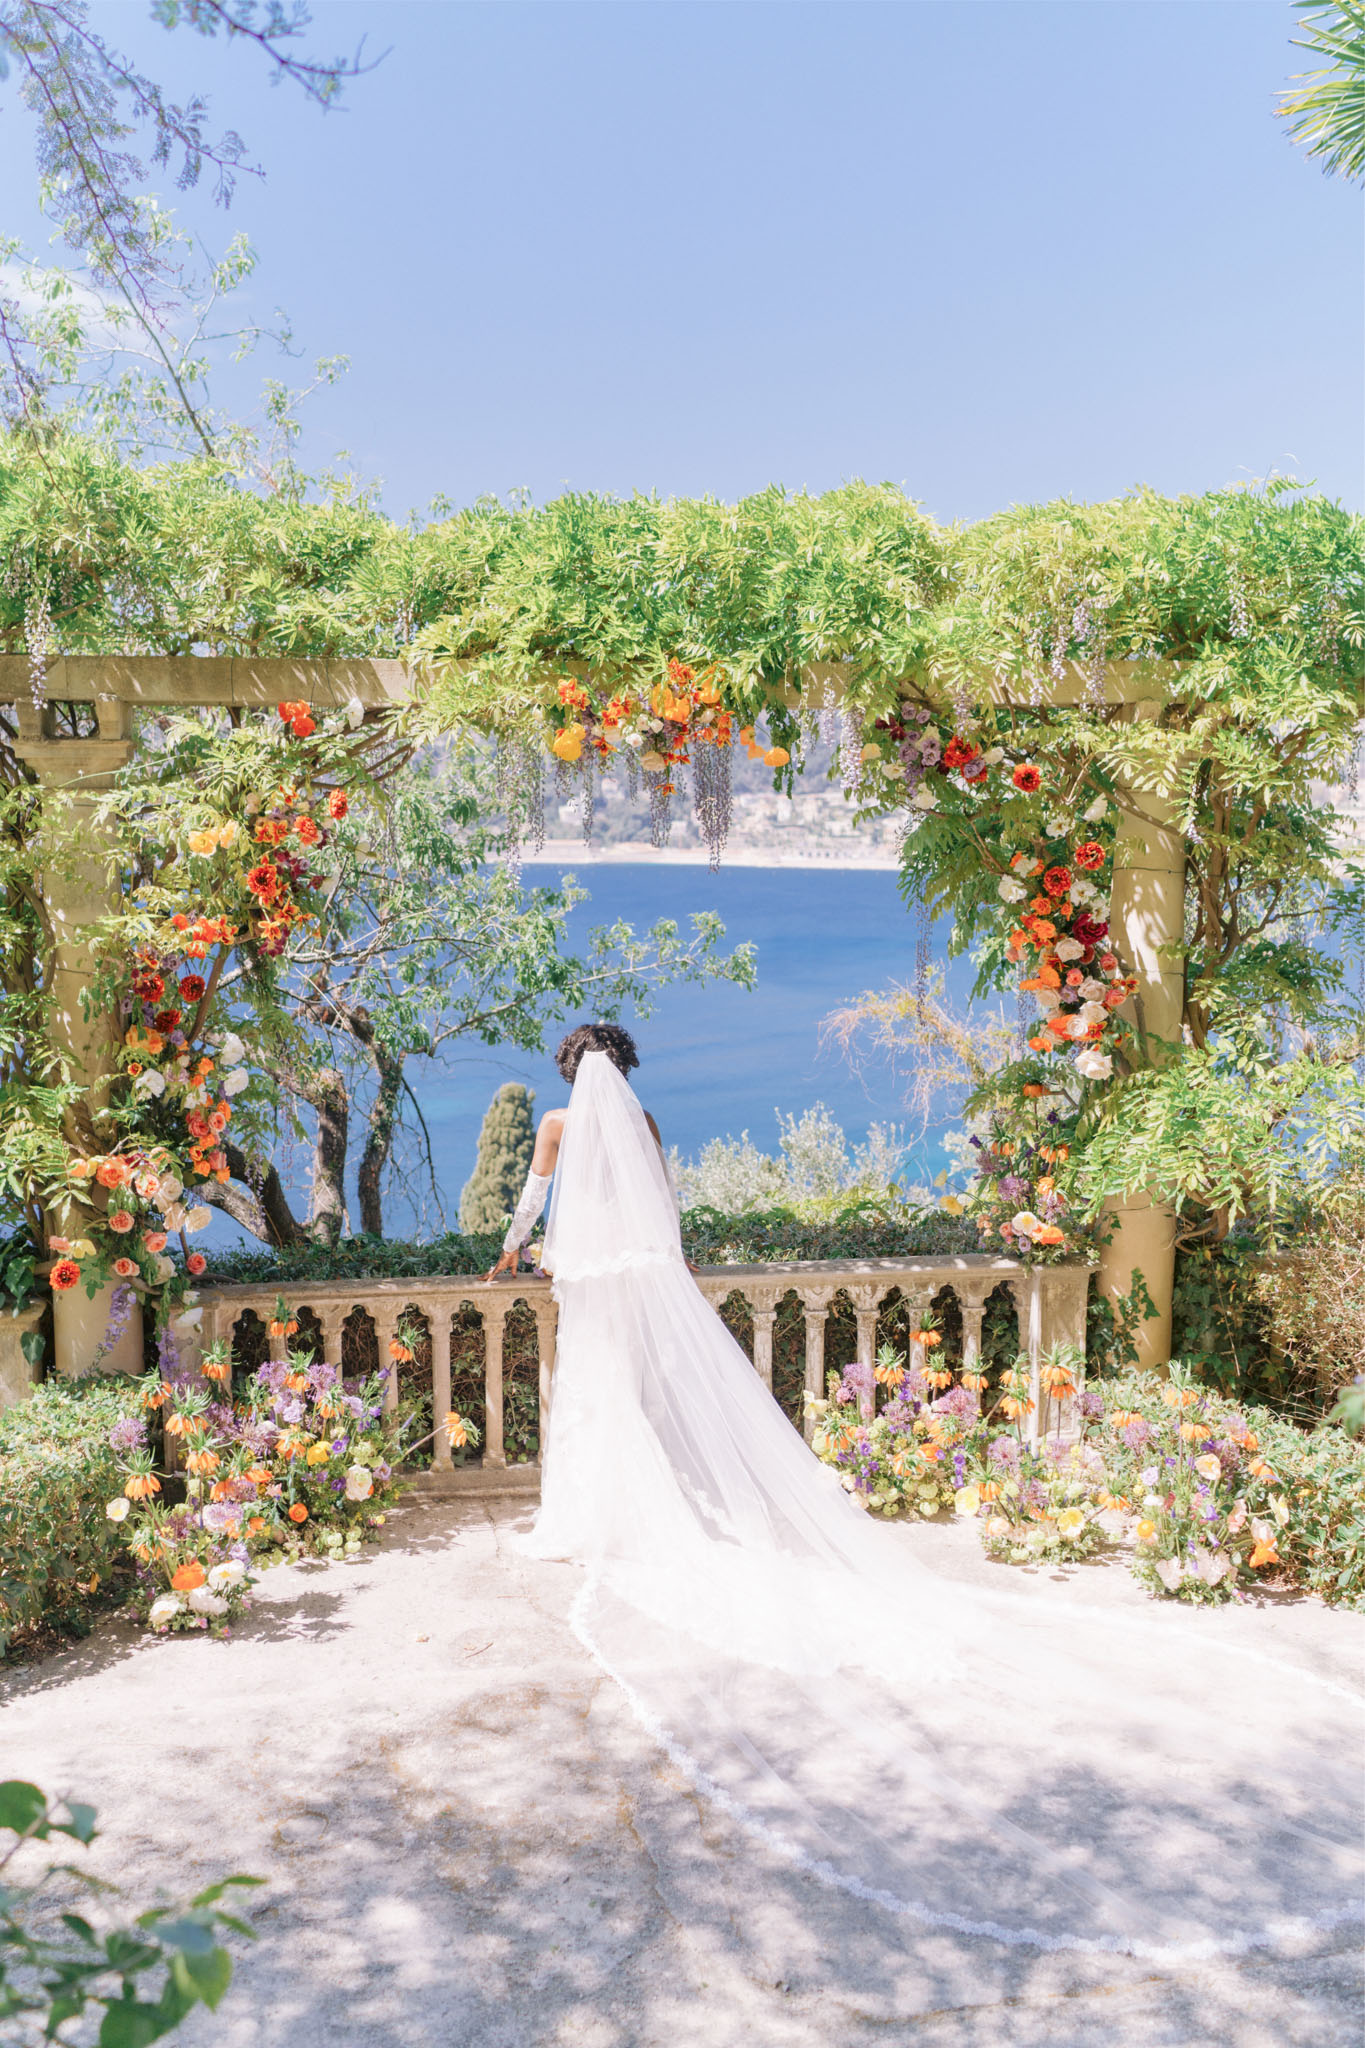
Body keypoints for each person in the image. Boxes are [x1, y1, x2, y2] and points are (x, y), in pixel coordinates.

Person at [483, 1025, 1362, 1960]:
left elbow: (537, 1201)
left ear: (575, 1073)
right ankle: (627, 1507)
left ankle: (593, 1515)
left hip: (588, 1282)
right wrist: (676, 1264)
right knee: (644, 1402)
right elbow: (663, 1204)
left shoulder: (554, 1122)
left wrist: (509, 1255)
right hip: (647, 1276)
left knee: (593, 1395)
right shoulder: (646, 1120)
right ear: (627, 1069)